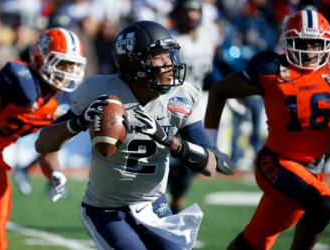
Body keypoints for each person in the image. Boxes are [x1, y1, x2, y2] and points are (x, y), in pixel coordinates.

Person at [35, 20, 233, 250]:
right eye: (159, 56)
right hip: (105, 208)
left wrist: (169, 140)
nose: (170, 63)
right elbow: (43, 143)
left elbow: (208, 165)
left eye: (169, 54)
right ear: (134, 63)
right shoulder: (99, 90)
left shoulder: (183, 95)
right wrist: (79, 121)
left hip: (152, 203)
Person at [204, 9, 330, 250]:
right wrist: (210, 145)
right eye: (302, 43)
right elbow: (219, 89)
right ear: (286, 41)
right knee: (324, 204)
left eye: (316, 43)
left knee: (254, 241)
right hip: (276, 163)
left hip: (310, 171)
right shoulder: (270, 70)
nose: (309, 50)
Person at [0, 27, 87, 250]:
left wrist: (54, 173)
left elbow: (48, 148)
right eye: (62, 64)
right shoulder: (20, 80)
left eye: (74, 65)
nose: (69, 71)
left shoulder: (62, 100)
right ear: (40, 57)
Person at [168, 0, 221, 214]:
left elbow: (211, 70)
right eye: (187, 10)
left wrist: (224, 88)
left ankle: (177, 201)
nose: (191, 16)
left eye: (195, 11)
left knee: (194, 158)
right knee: (170, 158)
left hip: (196, 105)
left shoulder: (207, 36)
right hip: (170, 104)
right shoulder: (168, 37)